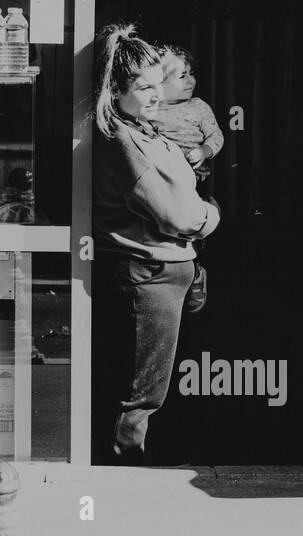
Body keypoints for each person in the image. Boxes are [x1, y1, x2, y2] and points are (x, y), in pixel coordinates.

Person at [91, 24, 220, 463]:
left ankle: (134, 463)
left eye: (156, 85)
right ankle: (123, 472)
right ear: (115, 91)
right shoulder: (125, 141)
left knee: (150, 387)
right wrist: (211, 214)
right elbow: (178, 215)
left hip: (166, 273)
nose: (156, 96)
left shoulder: (146, 130)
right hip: (149, 275)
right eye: (143, 87)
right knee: (140, 395)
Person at [150, 45, 223, 184]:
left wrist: (203, 151)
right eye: (182, 75)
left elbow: (216, 135)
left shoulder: (198, 106)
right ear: (160, 82)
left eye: (191, 73)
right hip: (163, 177)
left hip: (194, 176)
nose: (191, 80)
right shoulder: (150, 109)